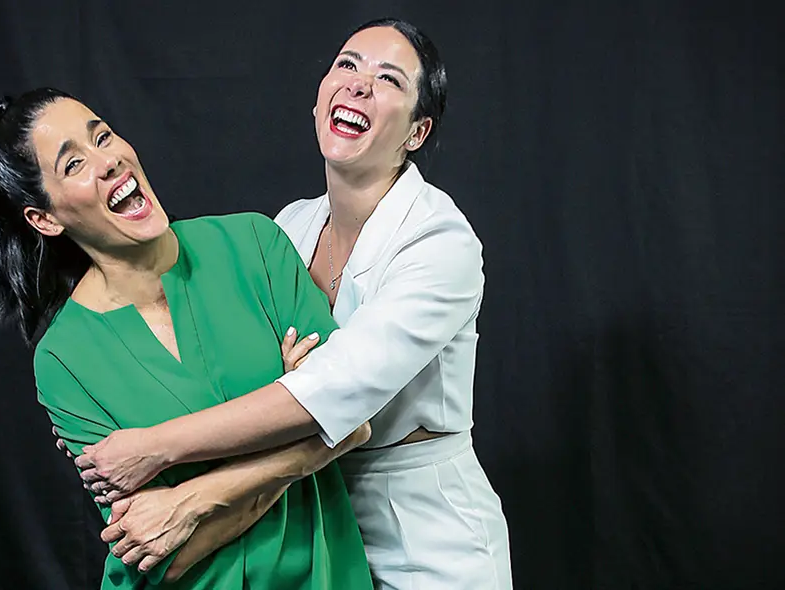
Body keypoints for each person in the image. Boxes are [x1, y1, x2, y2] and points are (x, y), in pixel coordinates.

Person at [71, 18, 513, 589]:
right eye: (346, 65)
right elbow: (232, 380)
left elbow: (337, 395)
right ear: (318, 98)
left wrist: (153, 449)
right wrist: (102, 410)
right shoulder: (288, 228)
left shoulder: (441, 242)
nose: (357, 85)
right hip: (311, 522)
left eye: (388, 80)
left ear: (417, 131)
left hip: (425, 533)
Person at [0, 87, 375, 588]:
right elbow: (161, 554)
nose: (108, 160)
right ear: (44, 218)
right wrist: (296, 420)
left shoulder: (254, 245)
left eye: (103, 136)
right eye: (73, 165)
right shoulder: (63, 361)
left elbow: (353, 419)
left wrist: (189, 498)